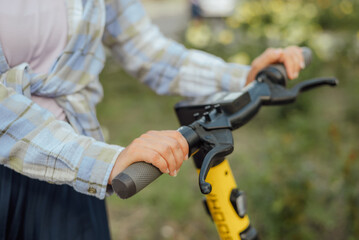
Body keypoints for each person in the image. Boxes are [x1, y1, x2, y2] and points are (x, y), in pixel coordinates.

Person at [0, 0, 304, 239]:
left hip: (69, 181)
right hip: (53, 164)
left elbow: (144, 48)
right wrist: (102, 161)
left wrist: (243, 78)